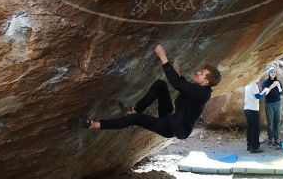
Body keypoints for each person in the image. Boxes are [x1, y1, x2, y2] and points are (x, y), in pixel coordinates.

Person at [85, 44, 221, 139]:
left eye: (202, 73)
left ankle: (94, 125)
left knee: (135, 119)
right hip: (171, 117)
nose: (198, 72)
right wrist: (178, 74)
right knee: (160, 85)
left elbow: (179, 85)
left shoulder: (202, 94)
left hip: (170, 128)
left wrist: (163, 57)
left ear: (206, 82)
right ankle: (136, 109)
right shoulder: (201, 90)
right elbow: (185, 87)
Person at [261, 67, 283, 147]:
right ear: (269, 73)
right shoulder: (265, 83)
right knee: (270, 122)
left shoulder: (278, 82)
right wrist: (271, 87)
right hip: (269, 104)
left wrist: (278, 86)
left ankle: (276, 138)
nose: (273, 73)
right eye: (271, 72)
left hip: (278, 103)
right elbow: (265, 94)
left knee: (277, 121)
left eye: (274, 72)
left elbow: (281, 93)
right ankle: (270, 139)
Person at [243, 80, 263, 153]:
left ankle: (249, 146)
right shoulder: (254, 84)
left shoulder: (247, 84)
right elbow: (258, 96)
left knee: (250, 128)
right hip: (253, 109)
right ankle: (255, 147)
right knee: (255, 129)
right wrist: (265, 92)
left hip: (247, 108)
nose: (259, 78)